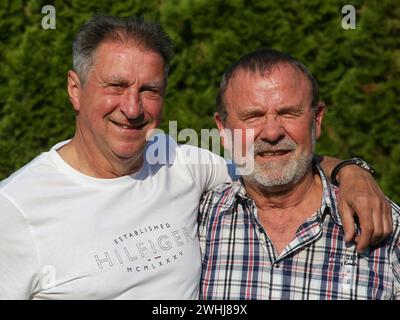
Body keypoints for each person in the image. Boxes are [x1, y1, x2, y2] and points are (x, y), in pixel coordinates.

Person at [0, 16, 392, 300]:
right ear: (75, 89)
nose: (132, 107)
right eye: (116, 85)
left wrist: (351, 172)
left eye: (150, 89)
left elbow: (276, 158)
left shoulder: (182, 164)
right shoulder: (15, 208)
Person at [199, 47, 400, 300]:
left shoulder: (384, 225)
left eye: (288, 113)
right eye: (253, 116)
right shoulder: (198, 219)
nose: (272, 133)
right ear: (224, 130)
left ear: (316, 120)